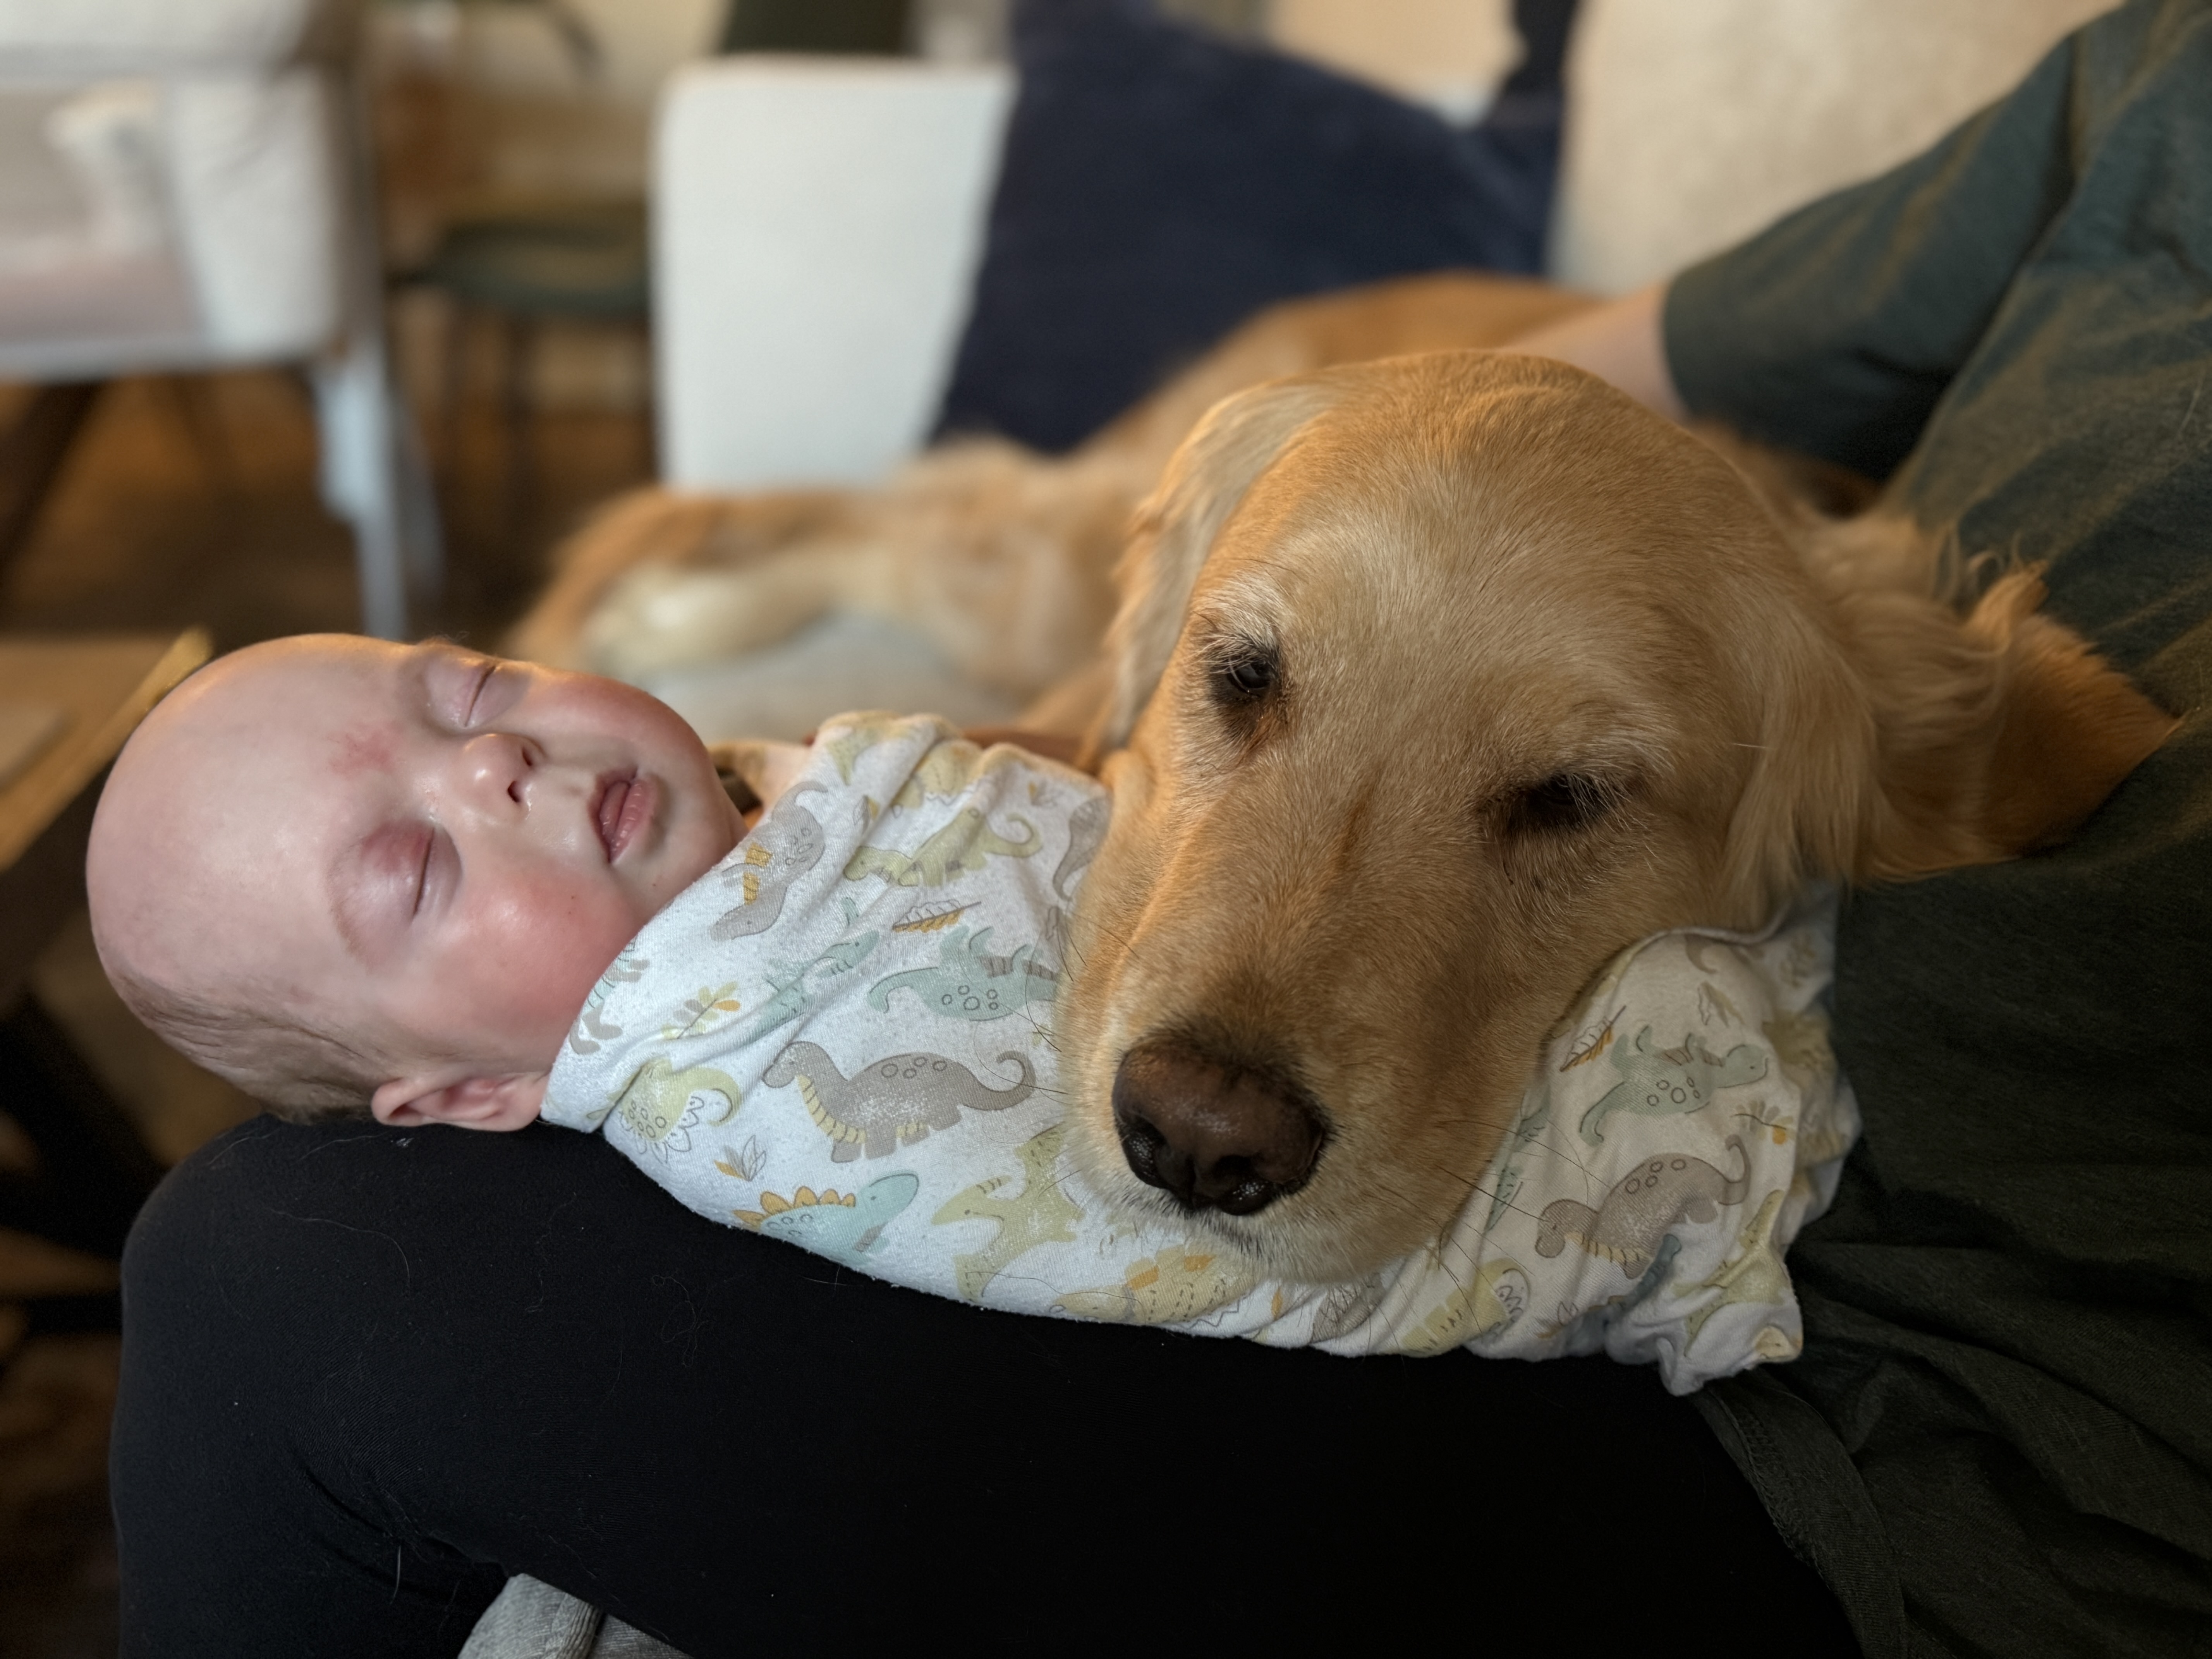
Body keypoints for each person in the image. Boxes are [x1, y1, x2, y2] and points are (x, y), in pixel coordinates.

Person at [111, 0, 2212, 1651]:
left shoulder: (1907, 744)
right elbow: (1607, 375)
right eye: (1245, 681)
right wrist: (1108, 684)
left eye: (1558, 797)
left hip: (1885, 1473)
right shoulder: (2150, 83)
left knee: (265, 1270)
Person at [87, 640, 1856, 1388]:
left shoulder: (753, 807)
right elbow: (1155, 1250)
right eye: (414, 871)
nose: (494, 762)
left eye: (463, 681)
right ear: (473, 1098)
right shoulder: (777, 1099)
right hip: (1484, 1168)